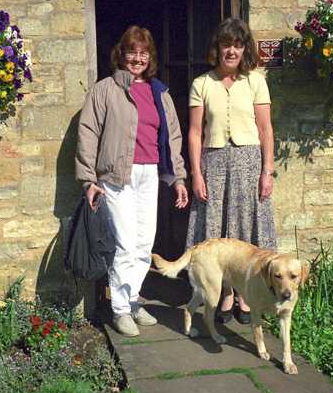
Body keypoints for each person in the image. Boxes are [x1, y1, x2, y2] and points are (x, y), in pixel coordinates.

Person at [76, 26, 189, 337]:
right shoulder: (105, 90)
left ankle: (133, 299)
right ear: (121, 54)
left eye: (144, 53)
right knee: (125, 244)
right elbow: (87, 133)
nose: (137, 58)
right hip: (116, 176)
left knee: (143, 243)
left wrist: (178, 176)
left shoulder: (159, 92)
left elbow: (173, 138)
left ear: (150, 57)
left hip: (148, 173)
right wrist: (88, 179)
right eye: (132, 52)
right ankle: (120, 310)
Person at [186, 18, 277, 325]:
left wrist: (268, 171)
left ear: (244, 49)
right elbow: (196, 132)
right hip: (213, 163)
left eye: (238, 45)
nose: (232, 51)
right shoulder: (202, 84)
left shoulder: (255, 81)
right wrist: (196, 174)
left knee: (246, 228)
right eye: (227, 45)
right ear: (218, 48)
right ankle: (223, 294)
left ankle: (245, 297)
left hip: (248, 162)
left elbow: (265, 129)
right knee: (217, 228)